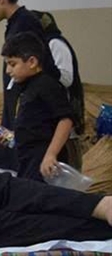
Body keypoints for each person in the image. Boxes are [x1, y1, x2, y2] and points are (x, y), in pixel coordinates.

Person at [0, 0, 53, 172]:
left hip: (25, 109)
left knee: (16, 167)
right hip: (16, 107)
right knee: (4, 159)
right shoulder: (15, 24)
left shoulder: (25, 23)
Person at [0, 32, 74, 181]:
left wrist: (51, 154)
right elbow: (33, 125)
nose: (8, 70)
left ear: (32, 62)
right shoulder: (25, 87)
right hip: (27, 159)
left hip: (43, 159)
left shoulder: (47, 85)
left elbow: (66, 120)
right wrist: (11, 137)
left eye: (13, 64)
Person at [32, 9, 86, 170]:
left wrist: (42, 72)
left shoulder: (54, 43)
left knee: (67, 172)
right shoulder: (39, 47)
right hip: (48, 125)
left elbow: (67, 78)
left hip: (61, 117)